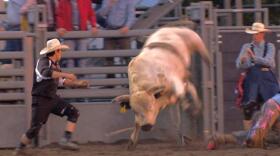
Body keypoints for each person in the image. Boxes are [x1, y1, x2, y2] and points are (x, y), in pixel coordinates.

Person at [13, 38, 89, 155]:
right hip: (41, 99)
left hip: (52, 98)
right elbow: (45, 73)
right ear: (56, 51)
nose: (61, 54)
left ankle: (65, 140)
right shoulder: (43, 62)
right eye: (60, 51)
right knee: (34, 130)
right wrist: (67, 75)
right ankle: (20, 148)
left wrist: (77, 84)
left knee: (73, 112)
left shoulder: (56, 66)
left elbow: (61, 81)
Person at [235, 22, 279, 130]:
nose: (255, 35)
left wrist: (254, 58)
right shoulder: (246, 46)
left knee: (273, 105)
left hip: (267, 78)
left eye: (257, 33)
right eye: (253, 33)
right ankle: (248, 136)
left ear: (262, 34)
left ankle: (274, 133)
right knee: (248, 107)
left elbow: (270, 63)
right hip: (253, 77)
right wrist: (243, 60)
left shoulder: (270, 46)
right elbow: (239, 64)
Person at [207, 94, 280, 150]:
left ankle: (220, 139)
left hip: (272, 108)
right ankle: (218, 139)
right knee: (254, 139)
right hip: (273, 107)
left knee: (257, 138)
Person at [96, 0, 136, 79]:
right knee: (108, 57)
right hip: (110, 30)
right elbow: (99, 15)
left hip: (123, 31)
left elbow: (131, 15)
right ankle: (110, 82)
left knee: (127, 57)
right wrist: (109, 5)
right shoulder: (107, 1)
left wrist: (127, 26)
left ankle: (130, 81)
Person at [56, 0, 98, 67]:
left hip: (82, 32)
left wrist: (94, 26)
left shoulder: (86, 1)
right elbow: (59, 15)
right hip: (68, 33)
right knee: (69, 58)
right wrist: (60, 27)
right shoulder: (63, 1)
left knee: (82, 57)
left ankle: (82, 76)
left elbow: (91, 13)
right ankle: (71, 76)